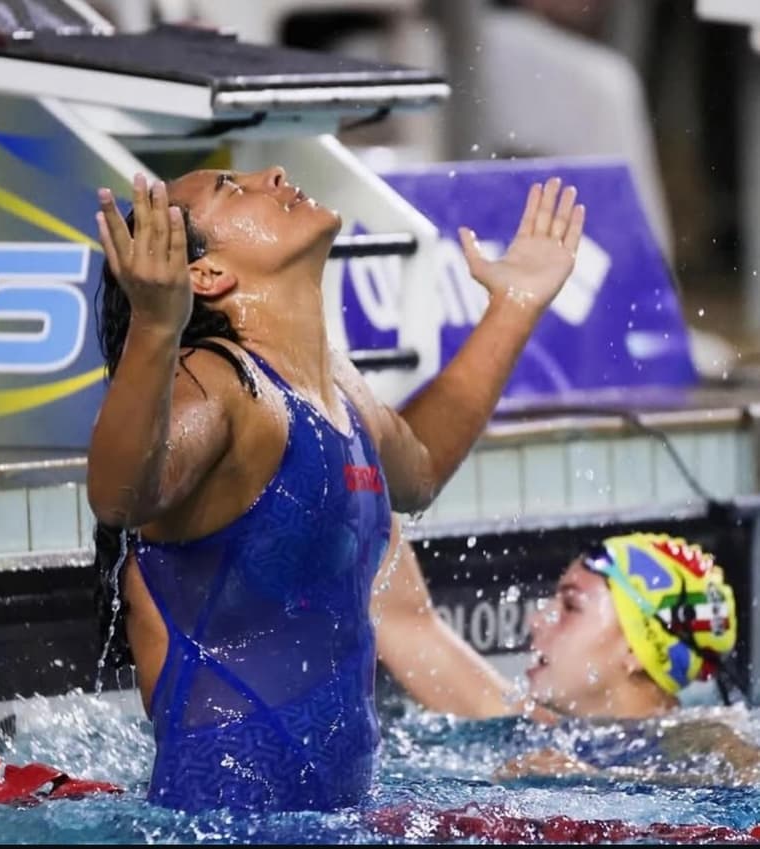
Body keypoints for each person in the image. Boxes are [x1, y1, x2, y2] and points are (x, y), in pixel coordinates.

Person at [87, 167, 584, 814]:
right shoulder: (219, 384)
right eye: (232, 189)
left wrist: (514, 305)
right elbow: (123, 495)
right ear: (206, 276)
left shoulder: (335, 390)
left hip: (334, 816)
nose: (272, 174)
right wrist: (156, 327)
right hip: (223, 825)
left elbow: (422, 463)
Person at [372, 516, 760, 785]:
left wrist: (598, 783)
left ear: (637, 651)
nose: (537, 620)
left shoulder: (700, 735)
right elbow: (405, 622)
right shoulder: (533, 730)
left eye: (571, 606)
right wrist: (362, 447)